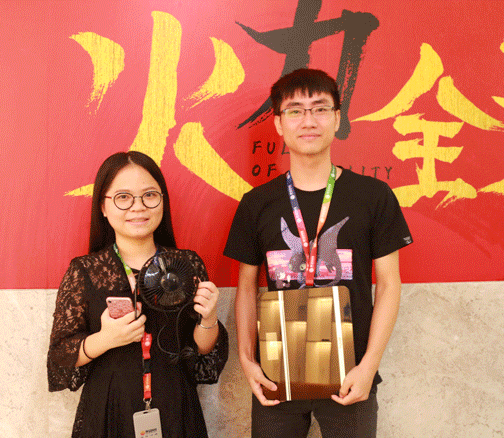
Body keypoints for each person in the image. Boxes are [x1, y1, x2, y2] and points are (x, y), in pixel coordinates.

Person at [223, 68, 413, 437]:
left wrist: (369, 366)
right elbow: (246, 287)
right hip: (277, 373)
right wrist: (247, 360)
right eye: (295, 111)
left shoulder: (373, 196)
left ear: (337, 119)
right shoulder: (256, 204)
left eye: (320, 109)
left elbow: (390, 285)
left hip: (351, 374)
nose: (308, 121)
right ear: (278, 123)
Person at [48, 151, 228, 438]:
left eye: (149, 196)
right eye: (123, 197)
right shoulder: (85, 271)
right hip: (109, 410)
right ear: (103, 207)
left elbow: (202, 352)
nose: (138, 207)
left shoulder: (187, 264)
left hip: (175, 408)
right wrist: (106, 339)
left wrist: (209, 318)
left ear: (162, 201)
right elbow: (61, 355)